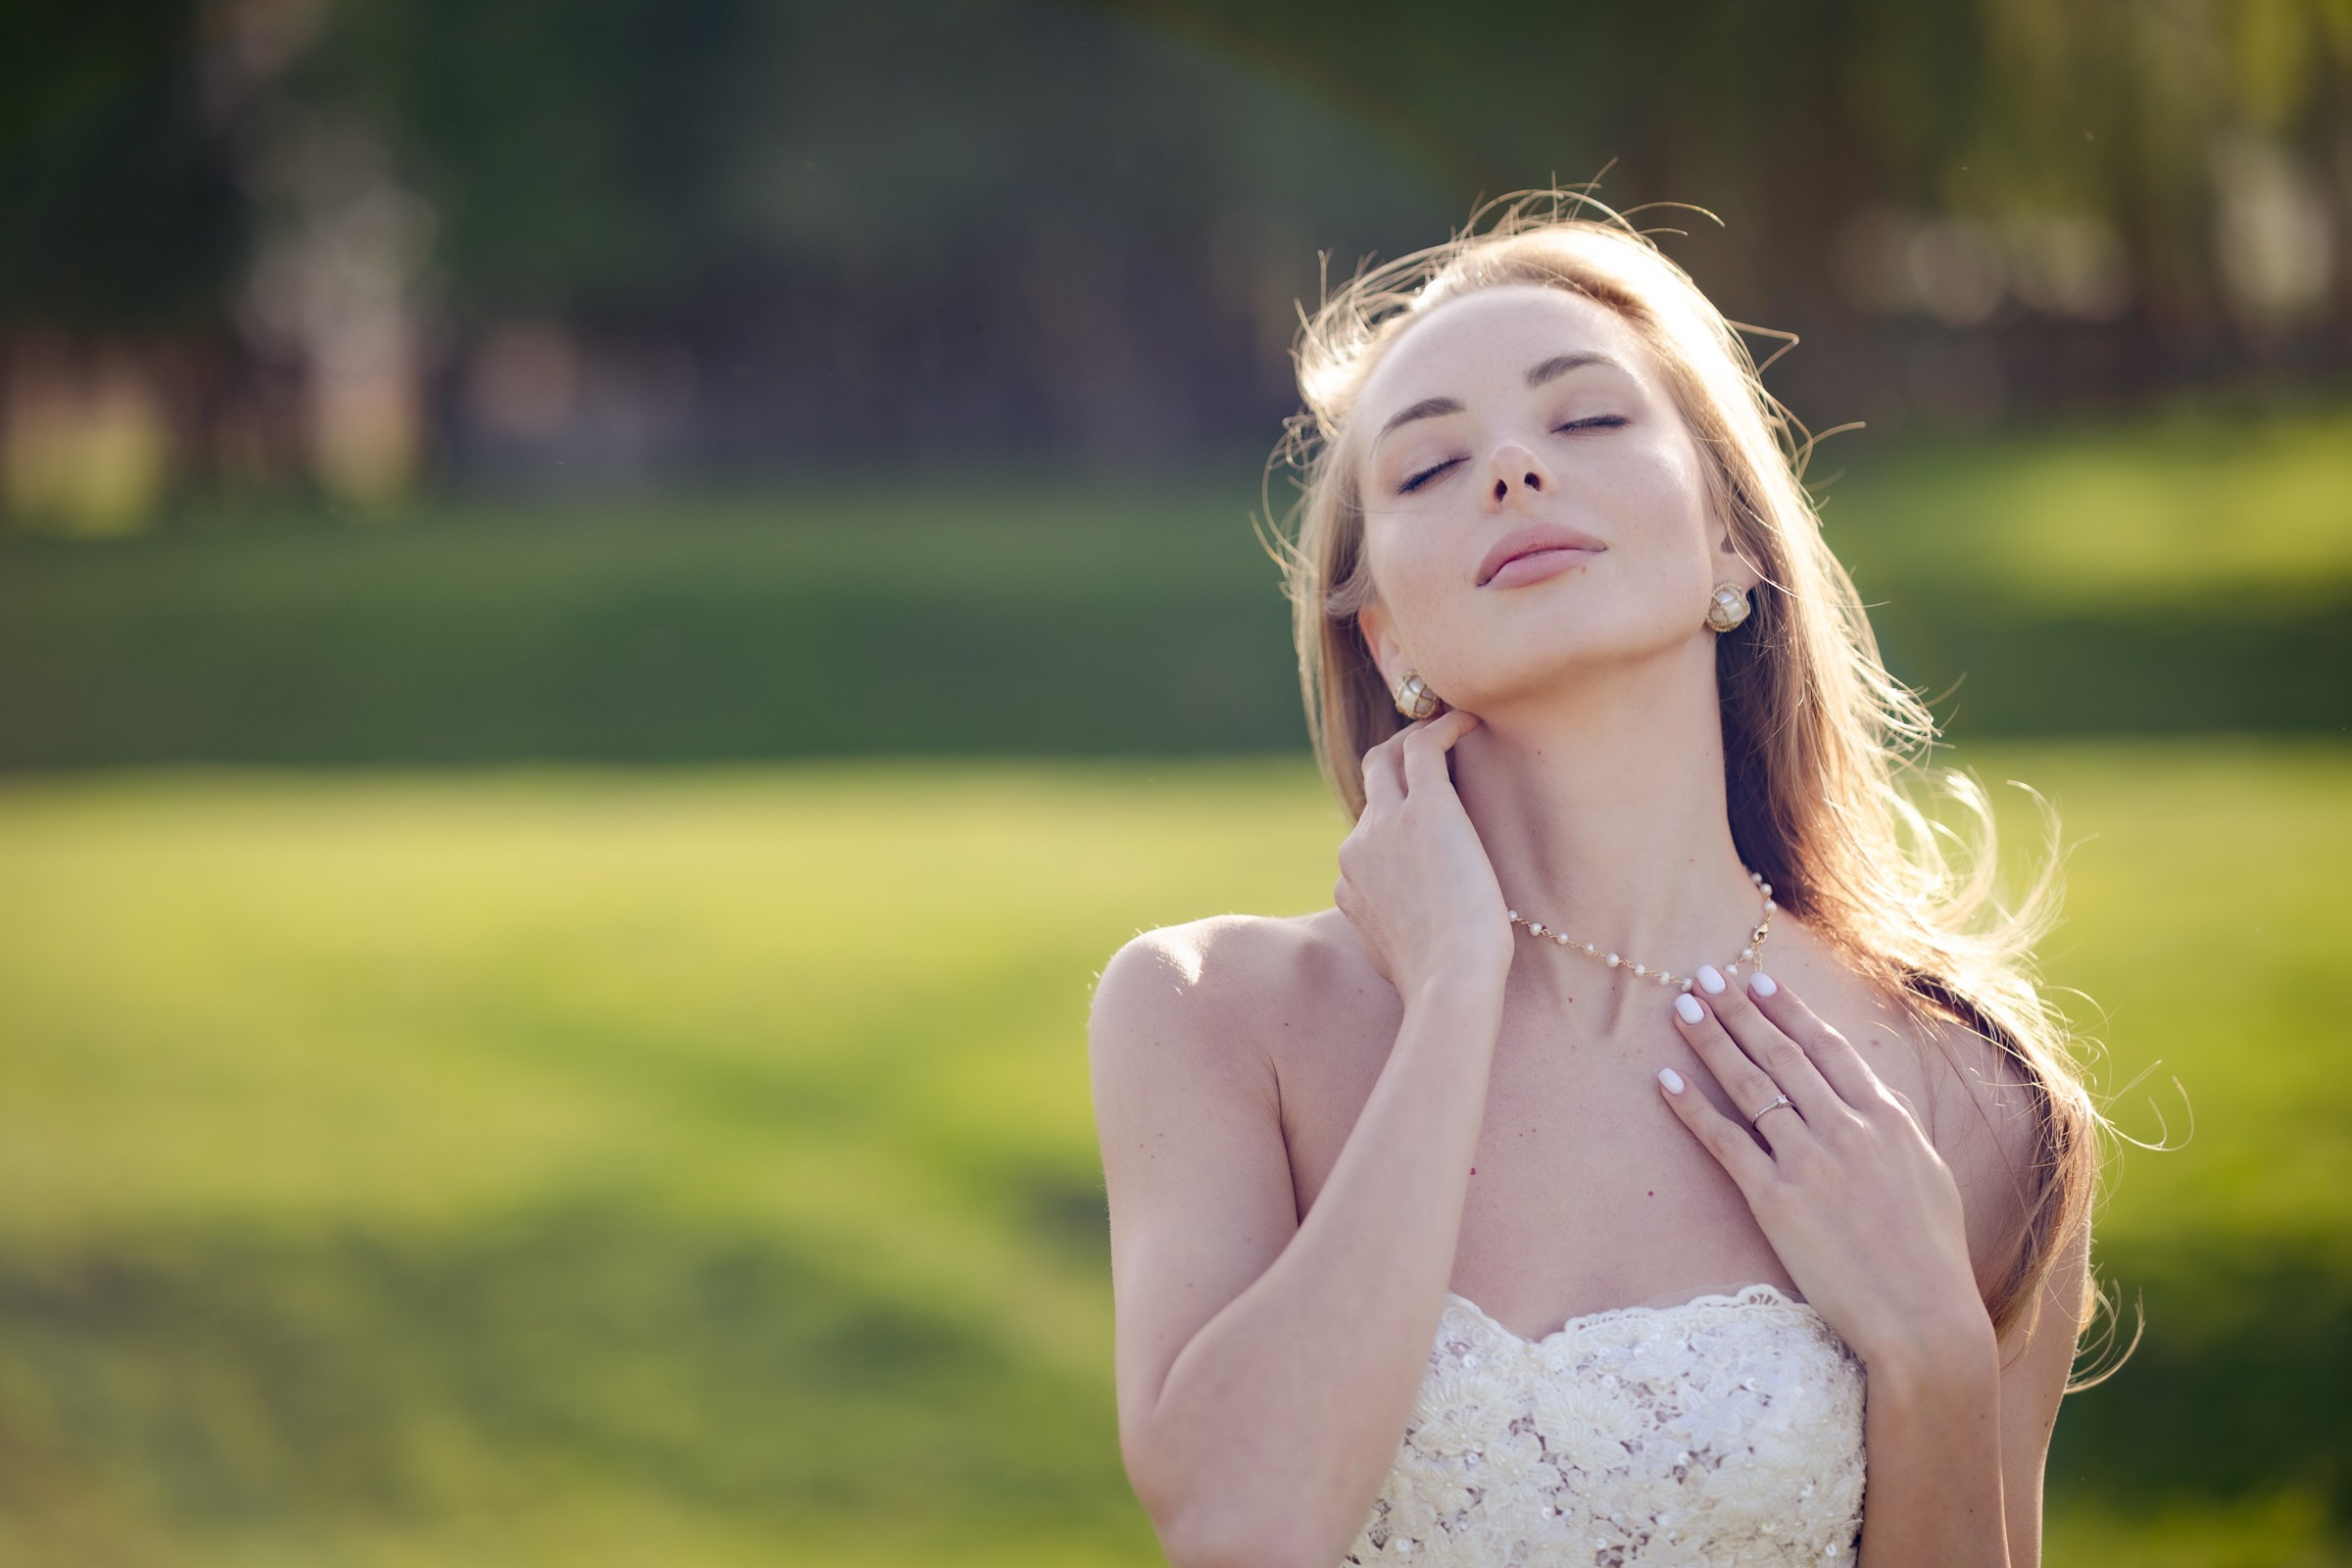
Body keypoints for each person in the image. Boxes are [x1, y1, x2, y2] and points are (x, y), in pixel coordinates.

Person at [1085, 192, 2120, 1567]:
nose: (1513, 469)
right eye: (1428, 467)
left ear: (1732, 540)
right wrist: (1455, 985)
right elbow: (1241, 1526)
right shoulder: (1212, 1016)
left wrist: (1930, 1354)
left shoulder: (1969, 1100)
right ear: (1386, 630)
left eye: (1585, 421)